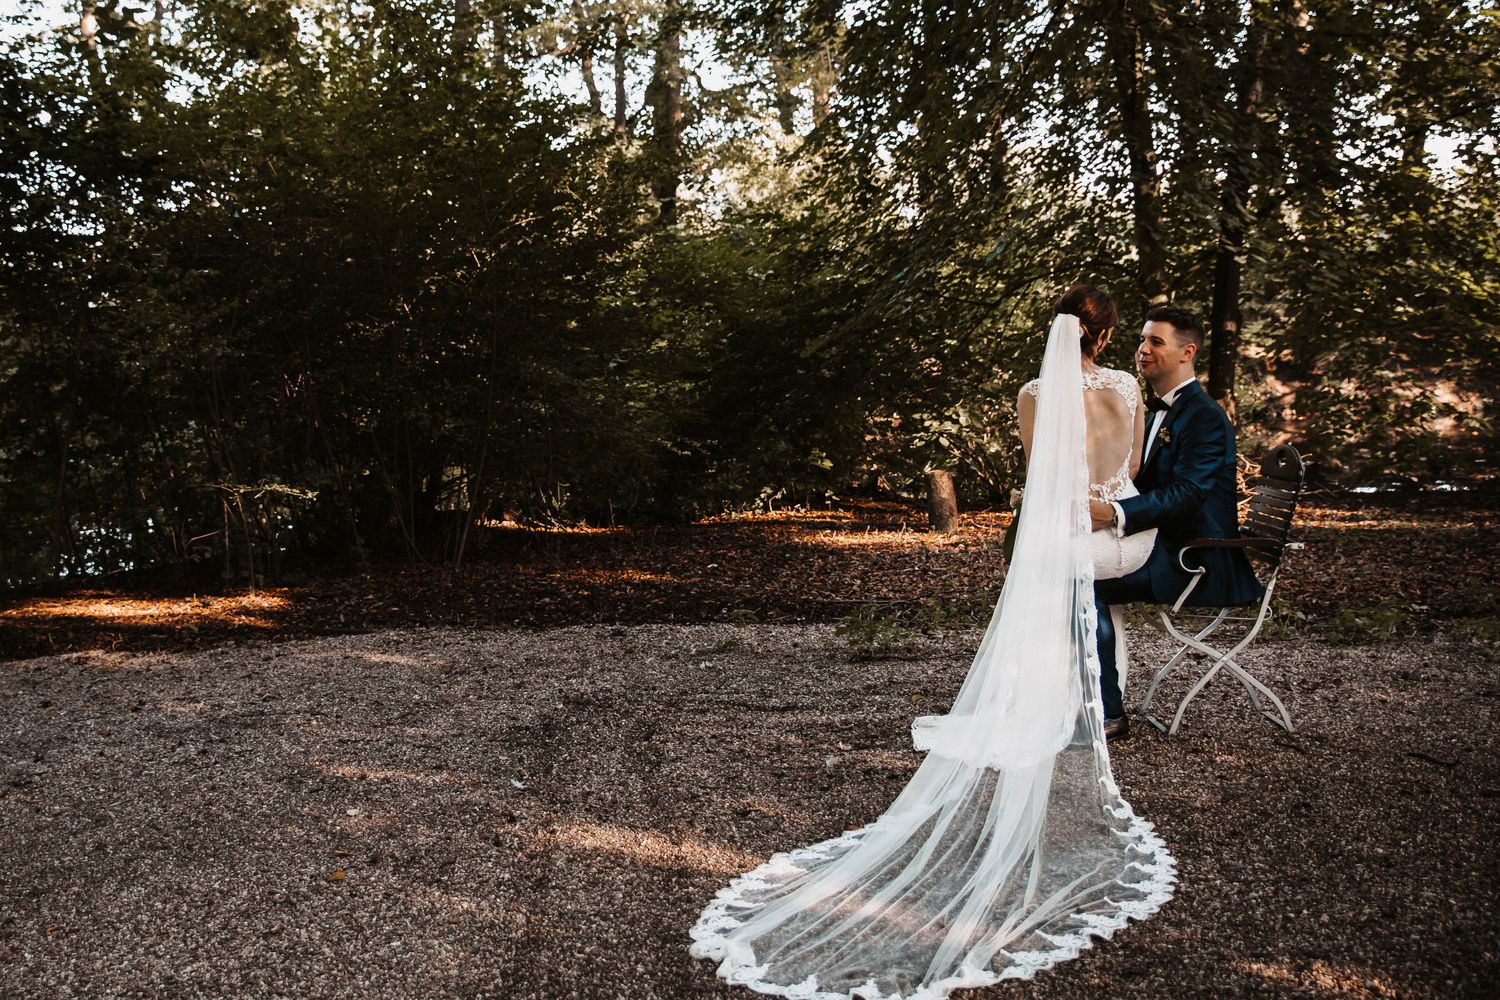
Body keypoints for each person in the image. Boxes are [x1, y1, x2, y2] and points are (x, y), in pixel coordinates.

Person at [689, 285, 1176, 1000]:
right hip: (1118, 533)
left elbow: (1042, 478)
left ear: (1059, 329)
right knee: (1090, 586)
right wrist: (1104, 502)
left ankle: (1063, 701)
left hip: (1062, 532)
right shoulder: (1128, 389)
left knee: (1054, 584)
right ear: (1103, 336)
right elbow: (1129, 471)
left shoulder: (1034, 393)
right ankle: (1098, 702)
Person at [1089, 306, 1263, 740]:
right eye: (1141, 340)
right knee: (1076, 565)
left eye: (1156, 342)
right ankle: (1083, 696)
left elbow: (1190, 492)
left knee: (1083, 584)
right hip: (1163, 544)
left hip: (1197, 558)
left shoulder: (1204, 416)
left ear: (1187, 353)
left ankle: (1108, 713)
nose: (1143, 350)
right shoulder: (1158, 413)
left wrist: (1116, 515)